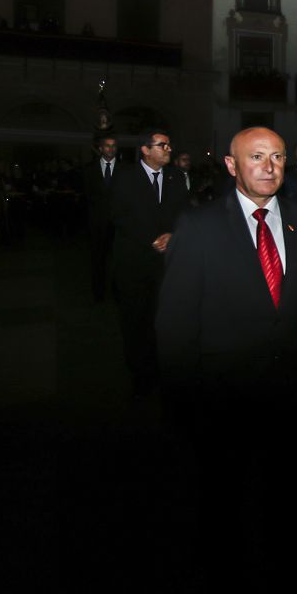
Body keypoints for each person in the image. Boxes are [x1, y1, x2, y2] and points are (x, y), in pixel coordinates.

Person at [155, 127, 297, 594]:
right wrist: (182, 394)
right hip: (223, 392)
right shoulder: (199, 226)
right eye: (256, 157)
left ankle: (291, 576)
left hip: (291, 389)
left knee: (289, 495)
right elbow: (175, 322)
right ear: (232, 165)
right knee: (223, 499)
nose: (270, 166)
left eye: (277, 157)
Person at [109, 129, 188, 397]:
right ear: (145, 149)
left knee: (163, 318)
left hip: (166, 262)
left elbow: (184, 212)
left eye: (169, 144)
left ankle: (162, 368)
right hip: (133, 260)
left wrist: (173, 234)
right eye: (162, 145)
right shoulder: (124, 176)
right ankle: (139, 373)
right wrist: (149, 238)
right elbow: (118, 214)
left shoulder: (177, 177)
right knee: (135, 320)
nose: (168, 149)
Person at [83, 133, 121, 302]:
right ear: (100, 148)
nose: (111, 149)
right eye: (107, 145)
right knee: (98, 259)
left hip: (119, 223)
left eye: (113, 146)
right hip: (97, 223)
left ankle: (117, 291)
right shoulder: (89, 169)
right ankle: (98, 292)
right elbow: (86, 196)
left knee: (118, 260)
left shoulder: (125, 169)